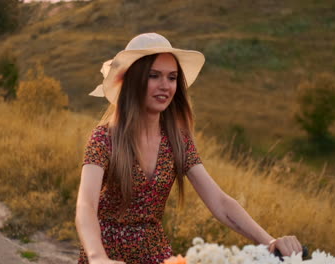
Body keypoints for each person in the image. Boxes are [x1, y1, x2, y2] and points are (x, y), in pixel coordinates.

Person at [75, 33, 302, 264]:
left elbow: (220, 203)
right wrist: (97, 257)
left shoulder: (177, 140)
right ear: (134, 80)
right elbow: (86, 204)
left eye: (172, 78)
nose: (165, 86)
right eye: (154, 76)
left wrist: (269, 241)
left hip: (155, 254)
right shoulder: (104, 138)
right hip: (106, 254)